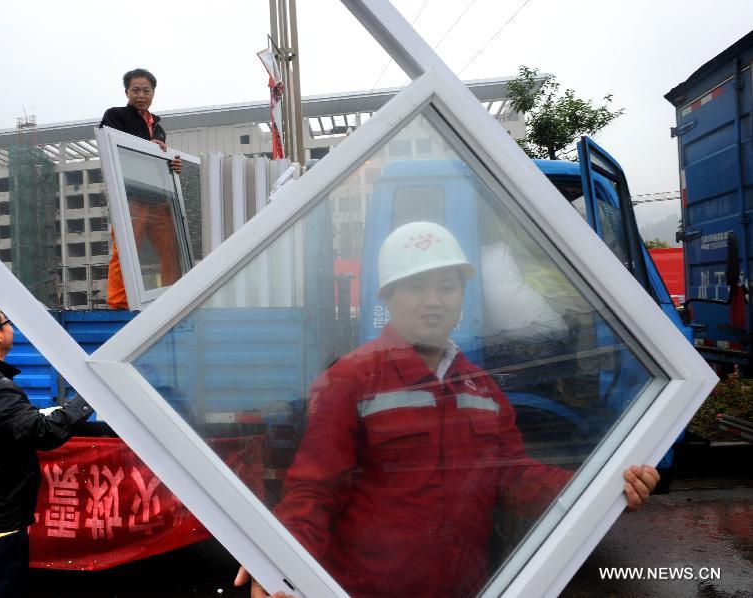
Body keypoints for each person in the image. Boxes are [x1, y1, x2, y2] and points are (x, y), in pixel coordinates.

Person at [235, 221, 659, 597]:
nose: (432, 301)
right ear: (390, 296)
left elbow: (513, 475)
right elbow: (313, 490)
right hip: (370, 588)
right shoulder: (351, 379)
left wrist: (607, 490)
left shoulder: (481, 387)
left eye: (446, 286)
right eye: (416, 287)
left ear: (461, 296)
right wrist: (279, 563)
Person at [0, 301, 93, 598]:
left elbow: (14, 423)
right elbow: (44, 433)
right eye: (6, 322)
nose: (11, 327)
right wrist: (88, 397)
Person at [100, 67, 184, 309]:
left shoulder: (158, 127)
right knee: (126, 251)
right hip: (130, 197)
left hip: (158, 197)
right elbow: (110, 147)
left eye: (146, 90)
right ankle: (118, 305)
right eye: (135, 90)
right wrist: (147, 146)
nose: (141, 95)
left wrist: (172, 163)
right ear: (126, 92)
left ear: (153, 93)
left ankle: (173, 299)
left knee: (171, 251)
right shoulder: (116, 116)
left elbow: (155, 161)